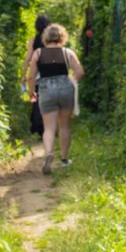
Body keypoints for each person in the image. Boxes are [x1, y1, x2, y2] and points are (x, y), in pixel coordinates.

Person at [27, 23, 84, 175]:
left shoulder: (38, 53)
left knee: (49, 127)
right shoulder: (68, 52)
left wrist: (31, 92)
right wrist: (72, 81)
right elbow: (79, 71)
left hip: (46, 90)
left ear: (45, 38)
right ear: (62, 37)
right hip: (65, 88)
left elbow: (31, 76)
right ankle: (64, 159)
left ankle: (49, 153)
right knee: (64, 125)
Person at [22, 14, 51, 137]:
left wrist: (23, 74)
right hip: (50, 73)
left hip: (36, 73)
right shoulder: (52, 39)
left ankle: (36, 126)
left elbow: (28, 58)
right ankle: (49, 127)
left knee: (35, 97)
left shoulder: (33, 40)